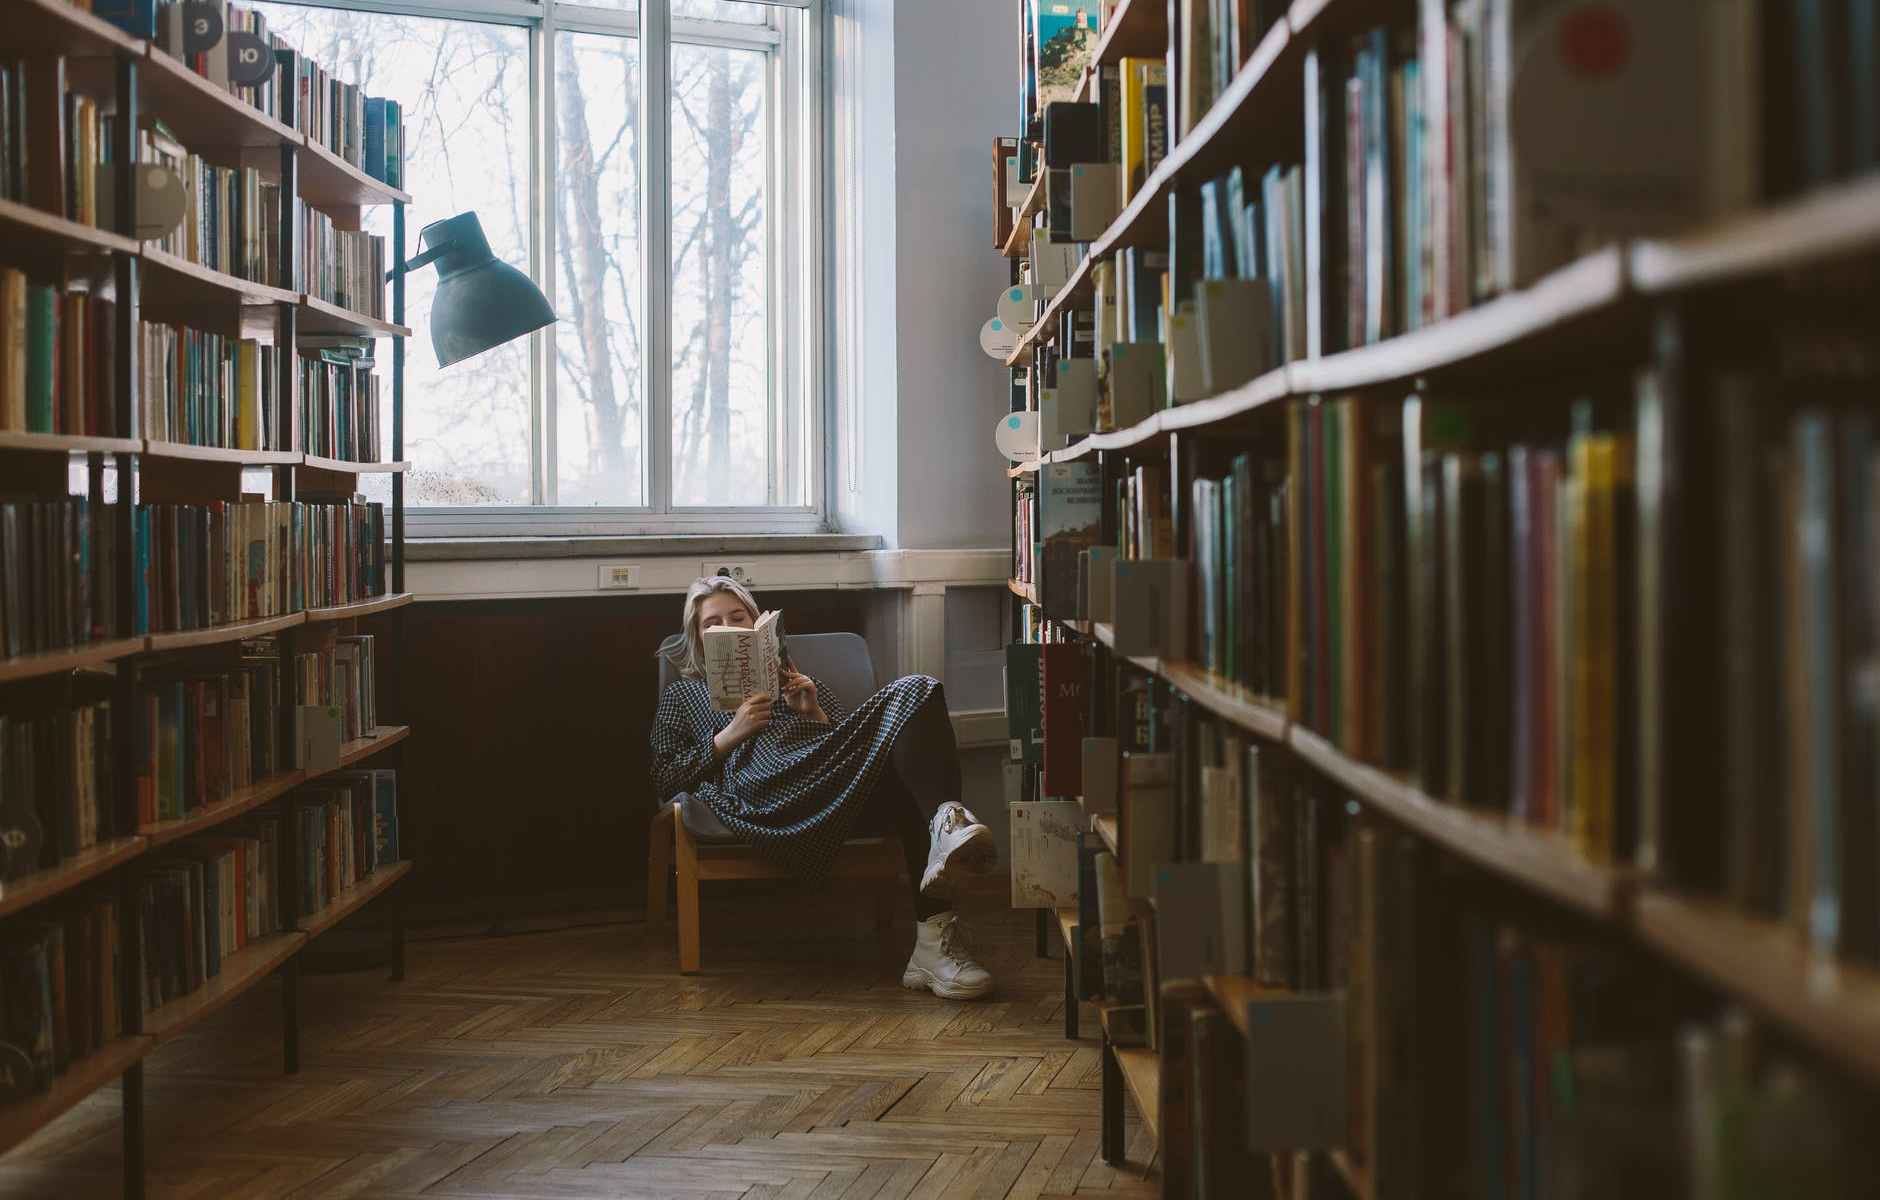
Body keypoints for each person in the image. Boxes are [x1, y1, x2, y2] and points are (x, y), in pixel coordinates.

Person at [649, 575, 1000, 999]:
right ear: (699, 639)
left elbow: (856, 743)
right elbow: (664, 778)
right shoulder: (684, 695)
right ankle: (945, 831)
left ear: (758, 625)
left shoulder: (795, 680)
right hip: (764, 791)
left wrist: (812, 711)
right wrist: (729, 736)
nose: (728, 627)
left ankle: (932, 941)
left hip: (825, 780)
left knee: (919, 692)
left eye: (738, 618)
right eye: (713, 623)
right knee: (909, 735)